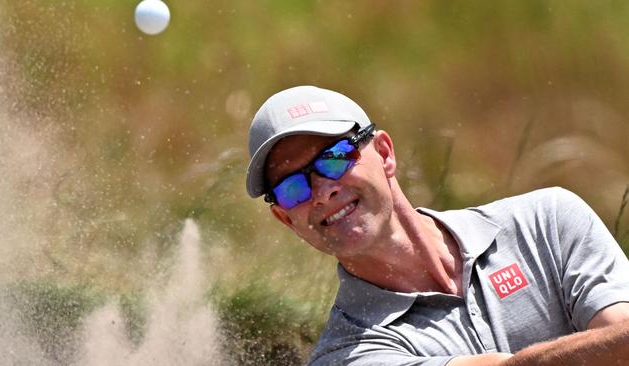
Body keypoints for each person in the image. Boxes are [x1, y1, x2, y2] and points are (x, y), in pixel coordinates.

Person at [245, 85, 629, 366]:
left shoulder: (547, 221)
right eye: (292, 187)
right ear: (286, 219)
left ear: (383, 153)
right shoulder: (343, 356)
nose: (322, 191)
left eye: (334, 158)